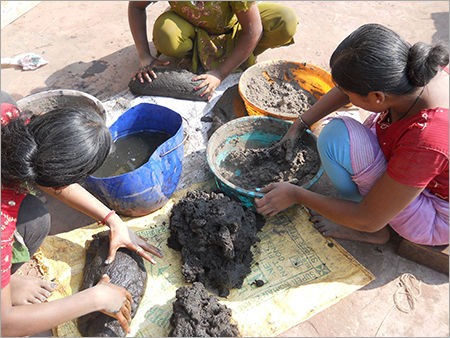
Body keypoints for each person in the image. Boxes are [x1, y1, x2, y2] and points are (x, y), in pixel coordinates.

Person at [255, 24, 449, 246]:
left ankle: (373, 231)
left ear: (377, 97)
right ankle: (369, 205)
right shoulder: (411, 65)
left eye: (349, 94)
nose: (344, 95)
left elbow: (369, 219)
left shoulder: (428, 138)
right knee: (336, 135)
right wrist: (299, 124)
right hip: (419, 166)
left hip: (436, 214)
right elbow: (348, 86)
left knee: (336, 137)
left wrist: (296, 195)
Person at [1, 95, 163, 336]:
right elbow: (4, 325)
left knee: (35, 216)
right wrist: (95, 298)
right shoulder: (3, 225)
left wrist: (112, 219)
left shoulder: (9, 117)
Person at [128, 1, 298, 100]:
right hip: (190, 23)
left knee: (285, 21)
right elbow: (136, 6)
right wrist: (144, 56)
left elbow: (253, 30)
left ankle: (244, 52)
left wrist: (220, 73)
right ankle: (192, 53)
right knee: (166, 36)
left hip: (234, 24)